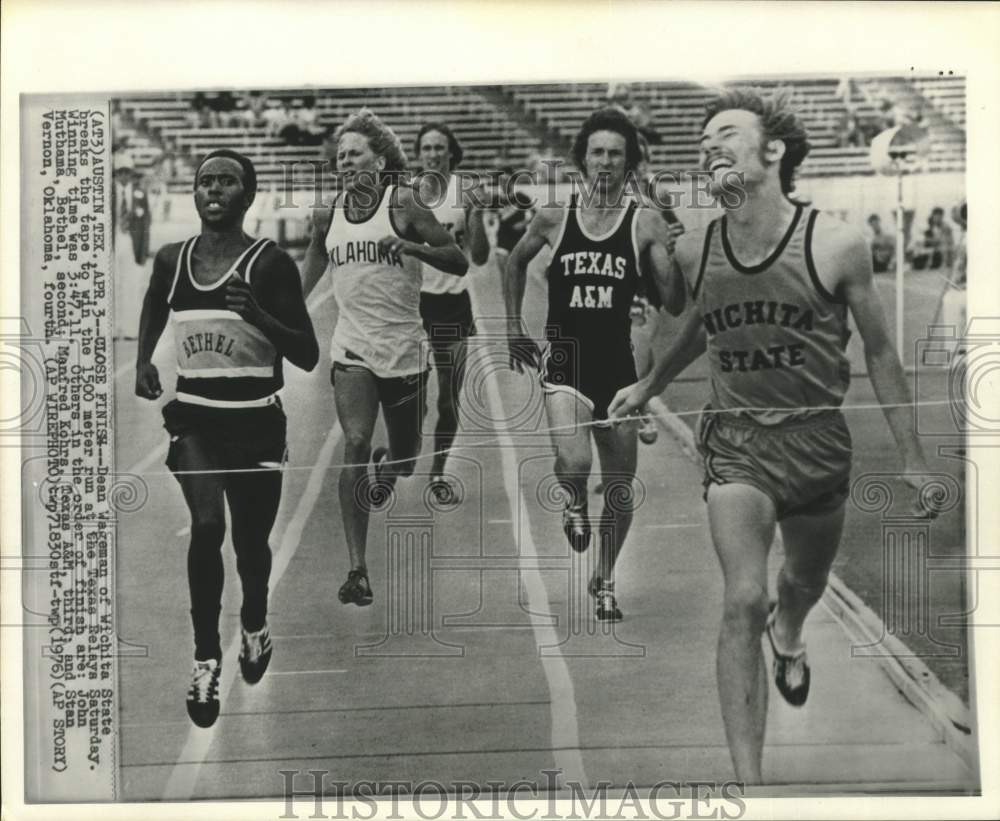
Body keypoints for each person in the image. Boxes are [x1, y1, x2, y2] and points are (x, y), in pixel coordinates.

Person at [609, 88, 936, 784]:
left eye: (726, 133)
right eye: (702, 143)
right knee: (742, 597)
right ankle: (750, 785)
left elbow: (880, 352)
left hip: (817, 444)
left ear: (774, 151)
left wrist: (913, 460)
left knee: (802, 582)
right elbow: (701, 321)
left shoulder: (838, 242)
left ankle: (789, 634)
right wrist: (648, 385)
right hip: (738, 447)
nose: (709, 147)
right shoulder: (698, 248)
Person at [135, 149, 319, 728]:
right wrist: (144, 360)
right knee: (207, 525)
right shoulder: (172, 258)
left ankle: (256, 624)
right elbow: (152, 305)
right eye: (204, 180)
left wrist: (260, 317)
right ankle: (206, 659)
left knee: (252, 549)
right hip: (195, 420)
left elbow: (307, 354)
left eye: (226, 182)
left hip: (257, 423)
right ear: (194, 193)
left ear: (247, 195)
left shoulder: (269, 265)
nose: (213, 189)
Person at [504, 107, 681, 622]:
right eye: (597, 152)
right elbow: (514, 261)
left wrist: (675, 253)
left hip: (617, 364)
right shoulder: (555, 215)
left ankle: (604, 580)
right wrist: (514, 328)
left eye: (616, 154)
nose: (605, 162)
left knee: (622, 487)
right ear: (582, 159)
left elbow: (672, 301)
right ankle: (574, 500)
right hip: (566, 357)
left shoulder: (643, 220)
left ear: (629, 165)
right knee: (576, 462)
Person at [301, 109, 467, 607]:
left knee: (407, 457)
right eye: (340, 156)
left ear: (379, 161)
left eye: (355, 154)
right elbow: (302, 281)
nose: (345, 162)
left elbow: (457, 260)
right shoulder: (326, 215)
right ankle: (358, 569)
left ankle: (389, 470)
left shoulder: (405, 203)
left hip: (404, 350)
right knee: (354, 440)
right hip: (352, 349)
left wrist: (411, 247)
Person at [413, 122, 490, 503]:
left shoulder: (465, 193)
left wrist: (475, 214)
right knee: (407, 398)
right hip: (412, 305)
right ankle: (398, 458)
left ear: (451, 153)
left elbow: (480, 256)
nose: (433, 154)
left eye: (439, 148)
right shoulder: (406, 197)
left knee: (448, 400)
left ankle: (438, 472)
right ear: (418, 155)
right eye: (426, 148)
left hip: (453, 304)